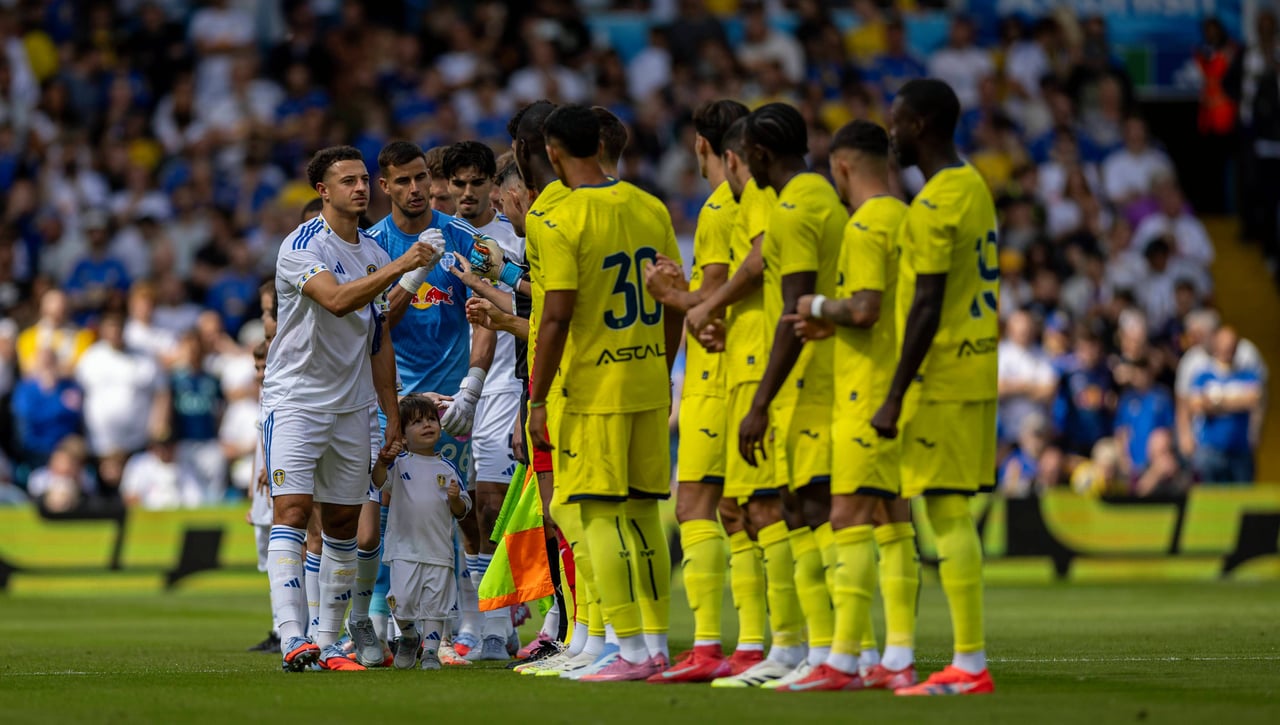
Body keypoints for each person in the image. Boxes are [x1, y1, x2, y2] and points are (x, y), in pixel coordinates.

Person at [261, 145, 438, 673]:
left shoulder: (375, 255)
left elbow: (377, 340)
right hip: (296, 400)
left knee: (342, 524)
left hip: (354, 406)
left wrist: (390, 414)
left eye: (364, 180)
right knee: (292, 513)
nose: (360, 189)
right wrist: (407, 265)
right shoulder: (300, 247)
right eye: (348, 182)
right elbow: (337, 300)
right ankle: (292, 636)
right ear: (323, 191)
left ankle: (330, 641)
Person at [527, 104, 683, 681]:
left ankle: (630, 651)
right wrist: (663, 368)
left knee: (595, 515)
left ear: (553, 152)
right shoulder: (650, 205)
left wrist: (538, 397)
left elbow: (558, 312)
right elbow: (674, 294)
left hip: (592, 386)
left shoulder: (560, 217)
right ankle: (657, 644)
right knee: (644, 515)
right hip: (647, 381)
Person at [779, 119, 918, 692]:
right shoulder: (908, 218)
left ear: (839, 167)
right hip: (904, 387)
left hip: (865, 392)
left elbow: (863, 309)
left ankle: (845, 658)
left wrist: (814, 305)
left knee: (850, 519)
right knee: (892, 520)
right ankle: (898, 655)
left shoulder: (864, 226)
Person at [869, 78, 998, 695]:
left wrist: (894, 393)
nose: (890, 133)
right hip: (974, 365)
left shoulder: (937, 201)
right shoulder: (972, 186)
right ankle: (965, 659)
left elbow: (926, 303)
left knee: (945, 512)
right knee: (949, 510)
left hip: (943, 374)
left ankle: (970, 663)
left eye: (896, 121)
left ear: (919, 124)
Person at [725, 102, 850, 689]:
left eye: (747, 152)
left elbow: (795, 312)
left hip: (815, 382)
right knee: (803, 509)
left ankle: (835, 652)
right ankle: (812, 649)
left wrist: (759, 403)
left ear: (760, 153)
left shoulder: (797, 209)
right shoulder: (817, 196)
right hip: (818, 378)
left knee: (814, 510)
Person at [369, 139, 500, 660]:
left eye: (421, 177)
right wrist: (413, 271)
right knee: (387, 512)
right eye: (402, 180)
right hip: (395, 396)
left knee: (461, 509)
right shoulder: (372, 245)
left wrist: (473, 384)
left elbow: (489, 307)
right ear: (386, 187)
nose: (416, 188)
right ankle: (383, 619)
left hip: (451, 400)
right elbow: (376, 326)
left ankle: (475, 624)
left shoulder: (464, 236)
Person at [642, 99, 752, 683]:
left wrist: (673, 293)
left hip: (720, 374)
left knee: (698, 508)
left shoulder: (719, 209)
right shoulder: (769, 203)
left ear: (703, 146)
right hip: (761, 369)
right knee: (746, 510)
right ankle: (760, 643)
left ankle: (713, 645)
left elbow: (707, 309)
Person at [685, 118, 796, 689]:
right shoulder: (754, 200)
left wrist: (682, 301)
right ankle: (757, 643)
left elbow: (737, 276)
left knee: (745, 509)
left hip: (743, 369)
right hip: (738, 365)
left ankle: (777, 644)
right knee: (738, 510)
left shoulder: (738, 201)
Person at [441, 140, 525, 657]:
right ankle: (478, 621)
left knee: (492, 502)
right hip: (444, 380)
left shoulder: (508, 239)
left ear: (493, 187)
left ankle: (495, 626)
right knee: (458, 506)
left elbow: (503, 306)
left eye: (478, 183)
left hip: (499, 384)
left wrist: (475, 382)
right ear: (447, 187)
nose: (469, 192)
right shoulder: (440, 237)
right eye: (460, 184)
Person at [372, 394, 472, 670]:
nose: (427, 425)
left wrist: (454, 499)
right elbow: (379, 482)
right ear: (402, 436)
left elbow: (463, 508)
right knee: (400, 602)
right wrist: (381, 462)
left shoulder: (448, 468)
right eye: (417, 422)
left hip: (439, 551)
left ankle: (430, 652)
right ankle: (408, 635)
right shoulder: (399, 463)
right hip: (403, 550)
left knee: (435, 606)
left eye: (431, 419)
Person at [1188, 327, 1262, 484]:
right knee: (1210, 504)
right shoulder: (1203, 375)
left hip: (1240, 451)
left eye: (1232, 345)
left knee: (1242, 502)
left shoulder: (1247, 374)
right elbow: (1195, 405)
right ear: (1216, 345)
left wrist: (1216, 402)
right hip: (1210, 451)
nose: (1227, 349)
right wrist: (1236, 401)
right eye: (1224, 344)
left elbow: (1253, 399)